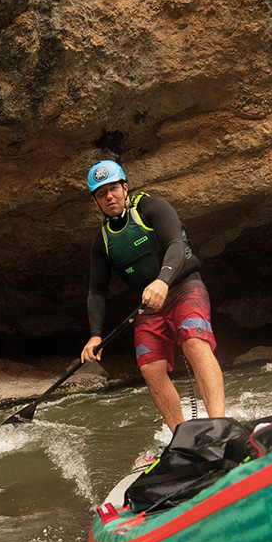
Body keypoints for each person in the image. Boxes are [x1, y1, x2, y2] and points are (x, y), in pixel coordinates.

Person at [79, 159, 226, 431]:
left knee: (194, 343)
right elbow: (97, 291)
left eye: (113, 188)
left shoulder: (152, 207)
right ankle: (181, 436)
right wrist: (95, 335)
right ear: (95, 201)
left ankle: (219, 425)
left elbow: (176, 244)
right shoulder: (102, 242)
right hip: (149, 304)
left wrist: (162, 280)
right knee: (150, 368)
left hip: (184, 287)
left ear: (125, 188)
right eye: (101, 193)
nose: (109, 196)